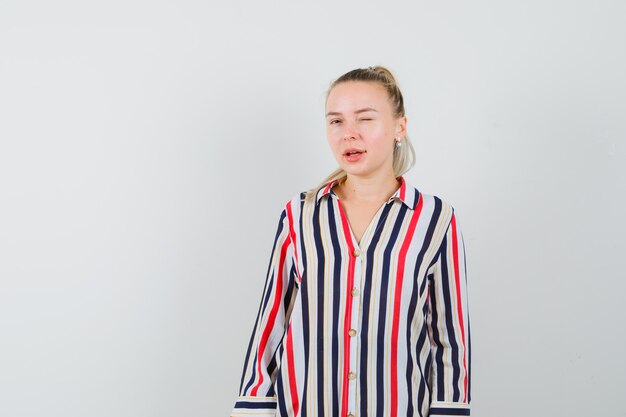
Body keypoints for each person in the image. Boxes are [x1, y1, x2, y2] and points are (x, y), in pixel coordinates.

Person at [230, 66, 471, 417]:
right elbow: (271, 324)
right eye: (336, 121)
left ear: (399, 127)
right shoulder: (299, 216)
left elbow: (450, 339)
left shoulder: (435, 219)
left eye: (365, 119)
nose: (349, 134)